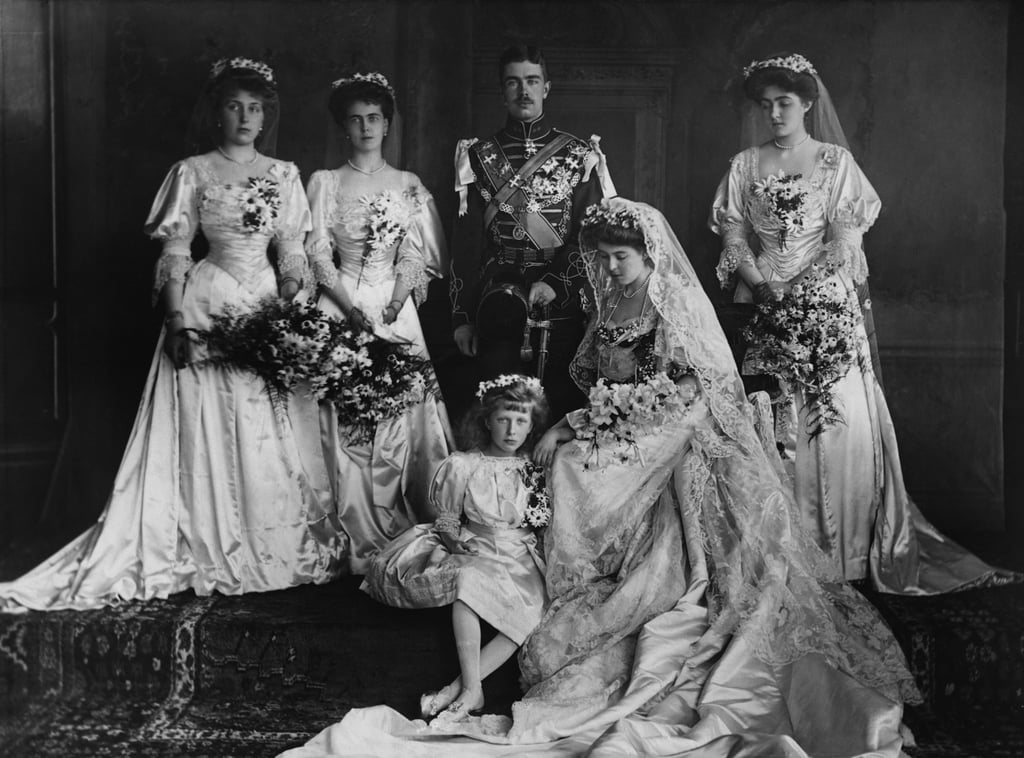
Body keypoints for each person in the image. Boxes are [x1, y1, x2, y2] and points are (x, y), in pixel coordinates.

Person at [277, 198, 922, 758]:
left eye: (621, 257)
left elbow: (692, 391)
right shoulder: (613, 302)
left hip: (669, 431)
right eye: (607, 257)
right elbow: (603, 385)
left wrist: (619, 430)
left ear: (648, 256)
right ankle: (533, 570)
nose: (611, 268)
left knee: (577, 472)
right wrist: (574, 423)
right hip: (621, 422)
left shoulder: (670, 307)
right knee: (558, 457)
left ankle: (586, 577)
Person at [0, 58, 344, 612]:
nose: (246, 117)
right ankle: (205, 535)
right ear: (216, 113)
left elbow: (293, 254)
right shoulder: (193, 171)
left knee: (266, 423)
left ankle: (271, 539)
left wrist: (289, 313)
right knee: (203, 419)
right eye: (234, 106)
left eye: (255, 108)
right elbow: (177, 251)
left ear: (266, 115)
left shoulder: (284, 174)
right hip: (207, 302)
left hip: (265, 303)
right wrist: (179, 322)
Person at [710, 52, 1020, 593]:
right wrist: (764, 289)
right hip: (759, 301)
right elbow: (734, 237)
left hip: (823, 303)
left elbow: (844, 239)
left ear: (808, 103)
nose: (775, 114)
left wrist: (801, 294)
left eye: (785, 103)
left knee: (835, 423)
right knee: (766, 419)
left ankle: (842, 554)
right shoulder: (744, 165)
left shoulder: (835, 164)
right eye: (766, 105)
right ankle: (778, 556)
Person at [305, 72, 453, 574]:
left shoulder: (408, 185)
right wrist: (349, 309)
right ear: (343, 127)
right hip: (340, 301)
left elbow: (418, 254)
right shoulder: (325, 182)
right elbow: (317, 253)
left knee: (403, 416)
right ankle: (345, 524)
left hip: (394, 305)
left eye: (374, 118)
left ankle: (399, 517)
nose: (365, 127)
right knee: (341, 417)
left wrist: (394, 302)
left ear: (386, 124)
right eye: (355, 119)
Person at [362, 375, 550, 725]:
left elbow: (539, 518)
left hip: (521, 553)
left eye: (521, 421)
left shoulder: (533, 468)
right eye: (503, 419)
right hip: (476, 545)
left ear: (531, 426)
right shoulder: (464, 464)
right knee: (466, 585)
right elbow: (447, 518)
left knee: (533, 611)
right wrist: (452, 542)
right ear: (486, 421)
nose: (511, 430)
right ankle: (471, 687)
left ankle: (462, 688)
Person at [448, 44, 614, 422]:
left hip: (562, 298)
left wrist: (556, 282)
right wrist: (461, 316)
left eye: (532, 81)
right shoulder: (477, 157)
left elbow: (591, 234)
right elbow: (465, 241)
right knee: (502, 410)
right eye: (513, 82)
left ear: (546, 88)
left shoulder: (579, 155)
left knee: (557, 406)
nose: (523, 91)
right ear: (502, 90)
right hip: (496, 300)